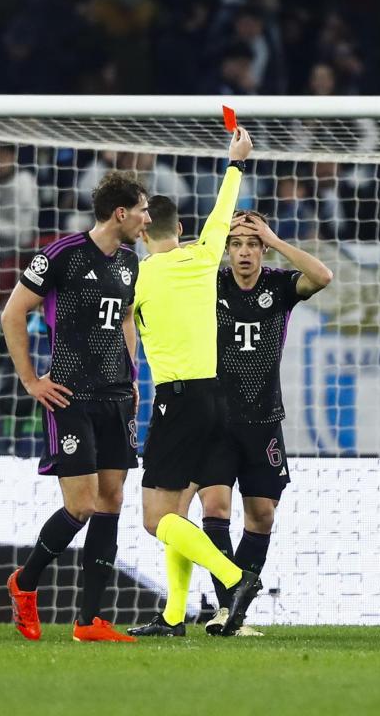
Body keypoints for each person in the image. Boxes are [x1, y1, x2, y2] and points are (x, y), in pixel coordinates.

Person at [2, 170, 148, 643]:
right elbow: (12, 312)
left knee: (112, 501)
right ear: (121, 213)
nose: (148, 219)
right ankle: (24, 583)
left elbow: (126, 316)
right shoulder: (61, 255)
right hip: (69, 396)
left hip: (114, 396)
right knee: (81, 505)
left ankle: (89, 621)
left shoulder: (130, 262)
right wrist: (30, 380)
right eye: (143, 210)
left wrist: (133, 373)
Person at [127, 127, 260, 638]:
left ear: (144, 233)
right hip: (215, 400)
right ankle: (174, 617)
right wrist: (236, 162)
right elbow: (223, 212)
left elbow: (118, 330)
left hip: (176, 401)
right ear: (180, 228)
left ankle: (234, 577)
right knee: (179, 512)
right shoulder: (205, 256)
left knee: (155, 518)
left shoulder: (141, 276)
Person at [181, 209, 331, 637]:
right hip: (215, 419)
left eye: (252, 244)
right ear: (226, 250)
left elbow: (323, 276)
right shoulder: (211, 283)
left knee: (261, 515)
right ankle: (226, 607)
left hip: (264, 418)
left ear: (263, 248)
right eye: (237, 244)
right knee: (214, 508)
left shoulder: (280, 284)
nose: (244, 252)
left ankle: (237, 608)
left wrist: (276, 238)